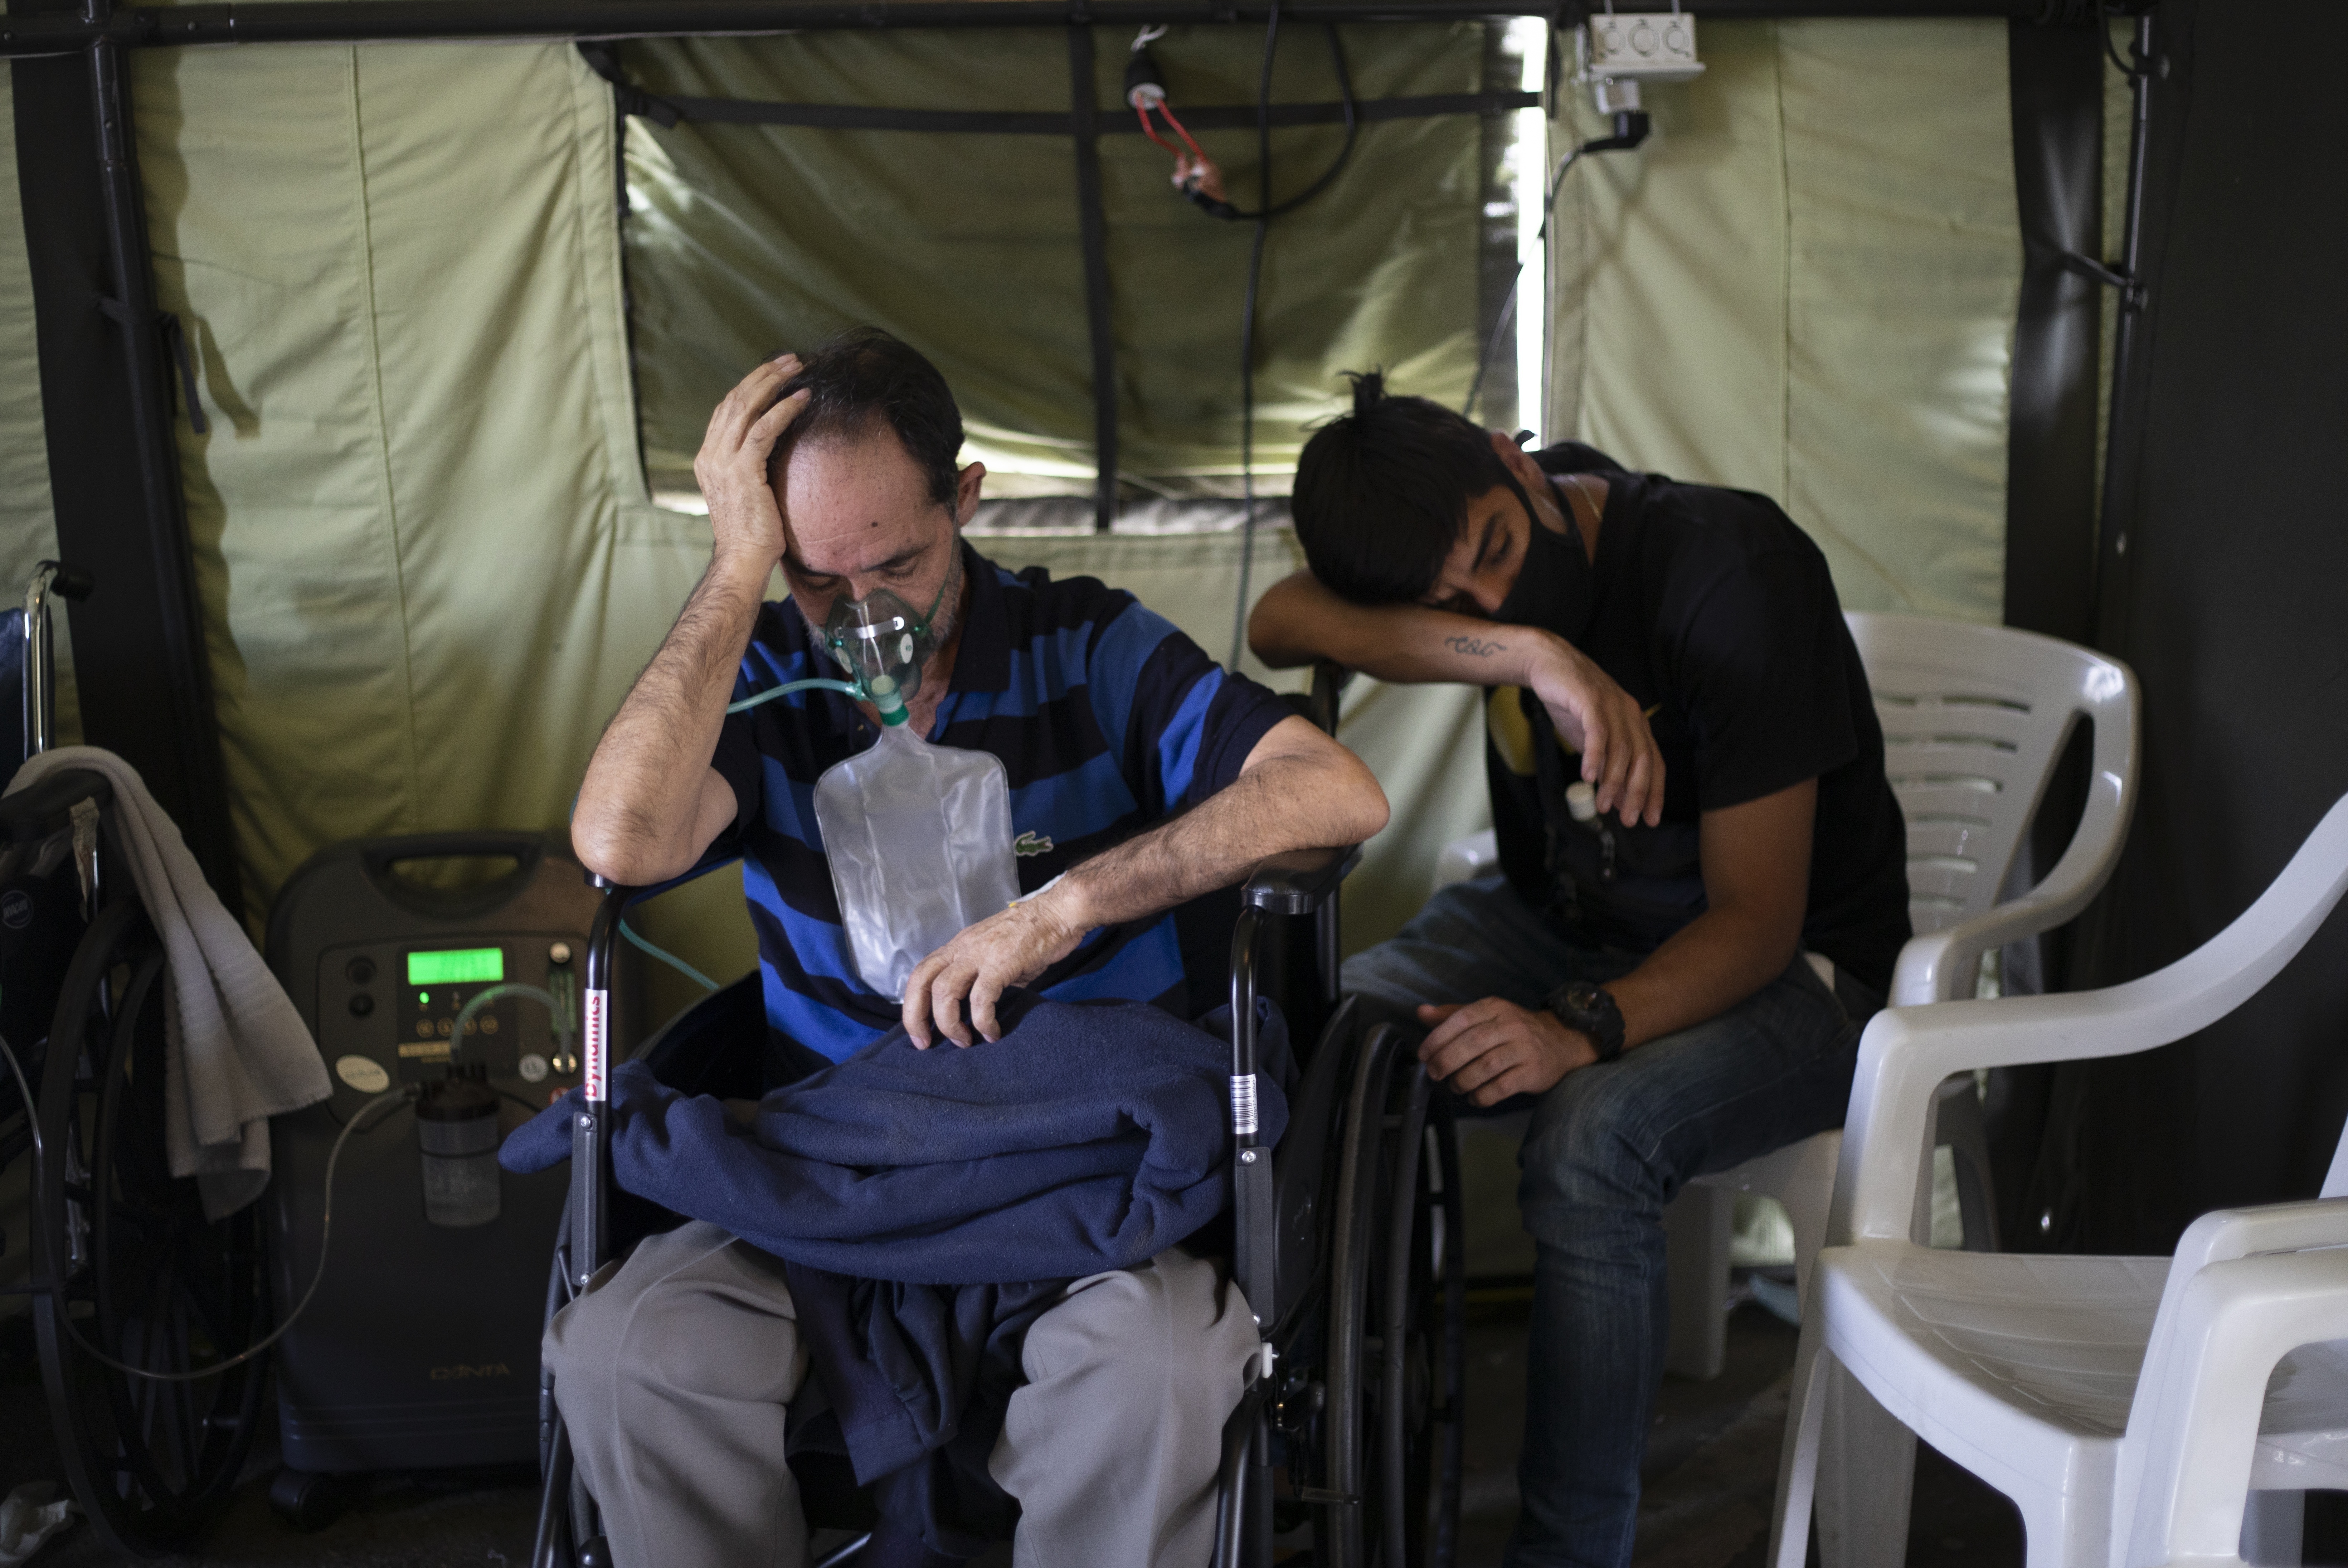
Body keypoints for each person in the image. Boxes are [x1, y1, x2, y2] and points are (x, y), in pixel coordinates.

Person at [554, 327, 1389, 1568]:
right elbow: (620, 845)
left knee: (1159, 1367)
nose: (862, 617)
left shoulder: (1086, 648)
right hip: (830, 1176)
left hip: (1072, 1174)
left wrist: (1066, 906)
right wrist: (738, 578)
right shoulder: (766, 681)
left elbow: (1333, 794)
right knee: (628, 1351)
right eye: (816, 577)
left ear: (965, 497)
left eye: (893, 563)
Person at [1248, 374, 1910, 1568]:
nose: (1484, 593)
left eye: (1496, 553)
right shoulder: (1488, 588)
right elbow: (1281, 621)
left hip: (1800, 977)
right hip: (1560, 916)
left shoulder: (1729, 570)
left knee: (1593, 1134)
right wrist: (1529, 651)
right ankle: (1303, 1464)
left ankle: (1567, 1554)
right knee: (1320, 1035)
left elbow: (1758, 923)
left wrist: (1576, 1029)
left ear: (1515, 459)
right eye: (1449, 603)